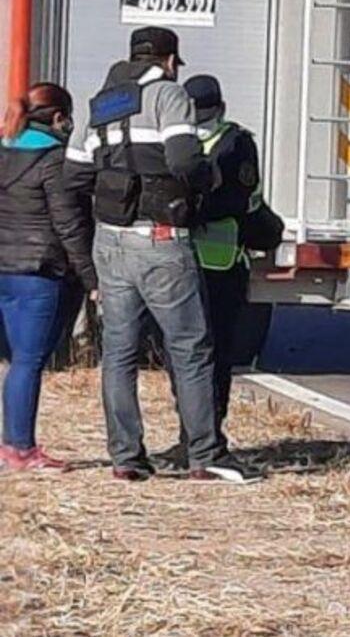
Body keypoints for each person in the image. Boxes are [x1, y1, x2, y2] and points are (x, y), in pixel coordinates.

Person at [63, 27, 255, 484]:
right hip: (161, 239)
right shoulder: (169, 95)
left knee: (119, 352)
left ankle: (126, 457)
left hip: (110, 240)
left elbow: (73, 177)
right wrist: (205, 181)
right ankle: (205, 454)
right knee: (190, 347)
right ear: (169, 60)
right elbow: (186, 160)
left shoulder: (101, 103)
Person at [171, 75, 284, 465]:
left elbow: (240, 198)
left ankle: (208, 435)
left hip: (220, 263)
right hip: (182, 261)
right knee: (184, 355)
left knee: (214, 356)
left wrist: (192, 210)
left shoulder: (236, 143)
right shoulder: (178, 140)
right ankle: (189, 436)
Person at [0, 84, 96, 471]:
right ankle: (19, 448)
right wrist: (90, 277)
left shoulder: (4, 148)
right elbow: (68, 223)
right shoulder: (54, 160)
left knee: (12, 360)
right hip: (38, 273)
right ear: (59, 117)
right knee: (28, 361)